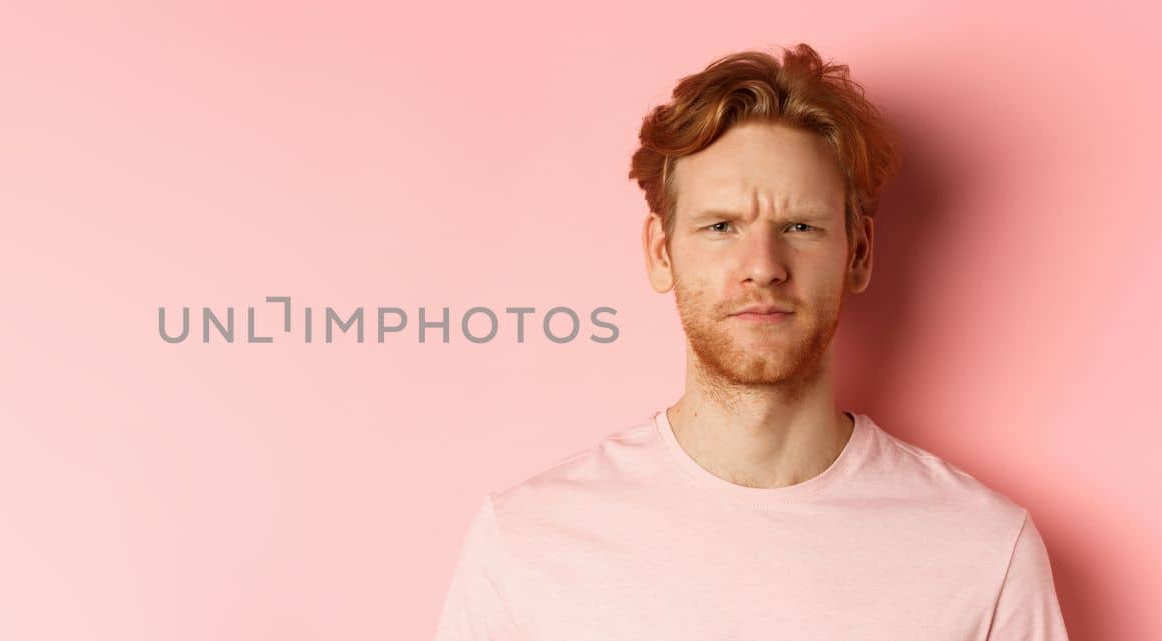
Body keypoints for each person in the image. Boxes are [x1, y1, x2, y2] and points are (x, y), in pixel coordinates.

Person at [432, 43, 1070, 640]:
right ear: (661, 252)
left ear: (860, 252)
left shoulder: (983, 547)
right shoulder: (527, 541)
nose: (762, 264)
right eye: (720, 226)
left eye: (800, 225)